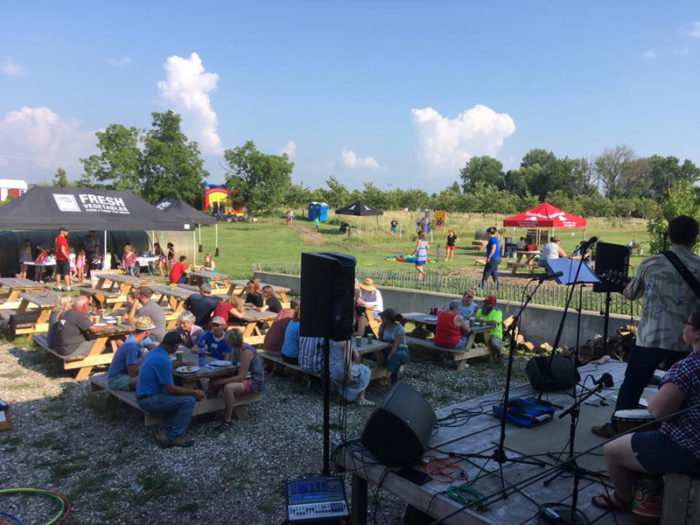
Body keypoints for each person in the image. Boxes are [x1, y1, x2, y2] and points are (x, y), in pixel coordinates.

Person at [592, 215, 700, 438]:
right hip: (686, 340)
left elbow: (631, 293)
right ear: (694, 238)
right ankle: (674, 432)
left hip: (651, 337)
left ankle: (618, 427)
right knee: (682, 389)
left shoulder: (650, 263)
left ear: (669, 236)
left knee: (633, 384)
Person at [591, 308, 700, 514]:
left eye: (687, 321)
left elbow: (659, 412)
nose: (683, 325)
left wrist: (653, 401)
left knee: (611, 450)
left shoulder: (687, 367)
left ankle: (621, 498)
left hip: (691, 452)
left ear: (697, 333)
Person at [136, 331, 204, 448]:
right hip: (150, 399)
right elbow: (171, 389)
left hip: (142, 393)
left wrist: (180, 363)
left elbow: (163, 366)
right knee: (188, 401)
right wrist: (194, 392)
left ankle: (164, 429)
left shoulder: (154, 352)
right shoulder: (163, 360)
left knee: (182, 393)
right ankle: (173, 435)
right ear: (175, 346)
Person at [209, 329, 265, 431]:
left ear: (231, 342)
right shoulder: (235, 349)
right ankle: (210, 411)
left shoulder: (246, 352)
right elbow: (230, 366)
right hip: (243, 377)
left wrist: (221, 381)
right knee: (213, 379)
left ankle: (227, 420)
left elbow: (241, 376)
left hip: (254, 380)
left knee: (228, 388)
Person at [107, 316, 155, 391]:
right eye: (150, 329)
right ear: (147, 331)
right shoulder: (131, 346)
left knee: (147, 360)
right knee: (151, 376)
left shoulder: (139, 337)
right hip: (116, 379)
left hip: (126, 372)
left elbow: (154, 349)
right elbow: (132, 372)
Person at [329, 339, 374, 406]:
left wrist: (352, 349)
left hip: (331, 370)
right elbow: (346, 360)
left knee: (356, 368)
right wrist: (349, 375)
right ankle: (361, 397)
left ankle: (346, 394)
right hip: (341, 371)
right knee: (365, 370)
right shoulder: (346, 341)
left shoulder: (331, 339)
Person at [378, 308, 410, 385]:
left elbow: (395, 346)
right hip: (387, 349)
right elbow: (380, 340)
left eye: (383, 317)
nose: (381, 318)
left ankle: (387, 376)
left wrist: (390, 355)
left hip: (401, 350)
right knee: (396, 360)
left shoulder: (399, 328)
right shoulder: (382, 326)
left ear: (388, 319)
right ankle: (392, 382)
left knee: (395, 356)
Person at [475, 295, 504, 364]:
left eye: (488, 303)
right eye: (485, 302)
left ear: (493, 304)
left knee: (494, 343)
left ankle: (499, 353)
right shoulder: (481, 310)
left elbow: (494, 323)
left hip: (494, 333)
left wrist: (482, 321)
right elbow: (475, 319)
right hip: (480, 332)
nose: (485, 305)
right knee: (468, 337)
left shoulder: (497, 312)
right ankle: (474, 353)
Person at [54, 226, 71, 291]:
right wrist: (68, 257)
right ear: (62, 231)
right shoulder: (63, 239)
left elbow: (56, 248)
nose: (67, 232)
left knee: (58, 273)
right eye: (66, 231)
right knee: (66, 273)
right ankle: (68, 287)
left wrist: (56, 255)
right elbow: (63, 250)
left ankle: (58, 286)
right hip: (64, 259)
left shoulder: (56, 238)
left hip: (58, 258)